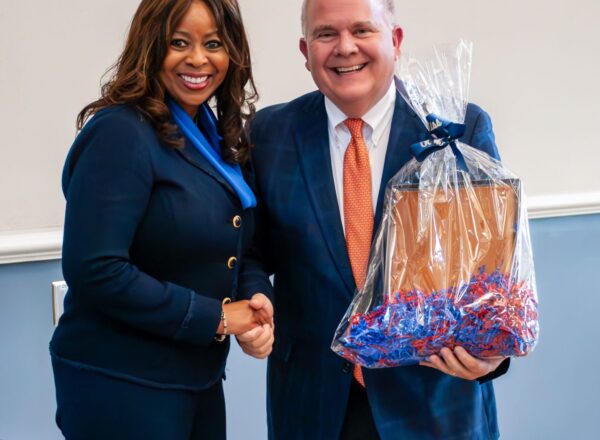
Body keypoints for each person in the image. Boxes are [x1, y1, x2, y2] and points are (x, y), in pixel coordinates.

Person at [239, 0, 510, 438]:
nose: (345, 47)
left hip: (434, 405)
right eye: (327, 34)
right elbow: (251, 250)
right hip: (313, 406)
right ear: (306, 51)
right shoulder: (270, 135)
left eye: (362, 30)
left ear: (395, 41)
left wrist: (495, 352)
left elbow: (496, 268)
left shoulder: (458, 128)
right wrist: (255, 298)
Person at [49, 0, 274, 439]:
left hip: (197, 378)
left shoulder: (216, 134)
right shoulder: (121, 131)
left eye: (213, 43)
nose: (198, 59)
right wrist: (219, 318)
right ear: (151, 47)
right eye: (178, 42)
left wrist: (256, 298)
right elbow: (95, 269)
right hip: (120, 382)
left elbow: (238, 242)